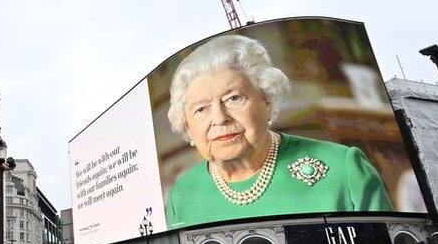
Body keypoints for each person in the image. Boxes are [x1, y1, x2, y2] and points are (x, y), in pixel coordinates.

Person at [164, 35, 393, 229]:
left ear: (266, 100)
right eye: (201, 109)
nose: (219, 118)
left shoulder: (344, 167)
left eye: (233, 98)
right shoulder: (181, 196)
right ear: (187, 126)